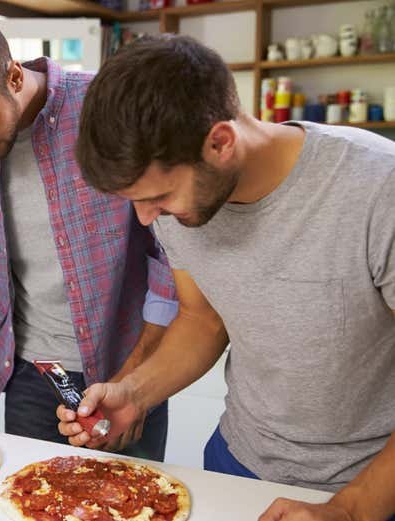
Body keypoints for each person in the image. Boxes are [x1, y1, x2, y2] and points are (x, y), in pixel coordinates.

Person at [58, 34, 395, 520]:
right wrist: (134, 395)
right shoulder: (178, 210)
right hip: (236, 461)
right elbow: (201, 319)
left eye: (158, 197)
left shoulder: (376, 189)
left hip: (368, 485)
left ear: (219, 142)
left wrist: (351, 509)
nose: (148, 219)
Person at [0, 16, 177, 460]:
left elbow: (172, 262)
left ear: (15, 76)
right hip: (30, 376)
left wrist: (135, 382)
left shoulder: (109, 110)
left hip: (128, 368)